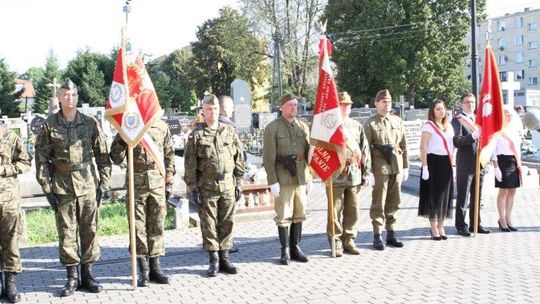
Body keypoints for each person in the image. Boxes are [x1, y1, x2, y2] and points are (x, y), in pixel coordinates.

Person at [34, 79, 111, 297]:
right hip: (62, 186)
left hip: (87, 184)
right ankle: (72, 277)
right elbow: (41, 158)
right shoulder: (50, 125)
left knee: (90, 230)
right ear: (59, 97)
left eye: (74, 94)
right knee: (67, 233)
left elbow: (102, 155)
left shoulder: (89, 123)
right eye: (66, 94)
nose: (70, 98)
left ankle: (88, 275)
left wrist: (104, 182)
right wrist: (48, 188)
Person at [184, 94, 245, 277]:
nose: (213, 112)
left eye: (216, 109)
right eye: (209, 109)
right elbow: (190, 165)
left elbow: (239, 158)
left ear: (220, 110)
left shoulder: (229, 131)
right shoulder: (196, 135)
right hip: (207, 186)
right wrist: (193, 189)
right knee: (209, 224)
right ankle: (214, 261)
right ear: (203, 110)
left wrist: (238, 182)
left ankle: (225, 258)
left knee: (227, 222)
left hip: (227, 183)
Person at [109, 118, 176, 287]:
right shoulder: (129, 126)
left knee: (157, 225)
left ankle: (155, 267)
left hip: (157, 183)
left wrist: (169, 180)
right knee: (137, 228)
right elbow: (115, 157)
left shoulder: (161, 126)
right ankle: (143, 269)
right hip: (136, 184)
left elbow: (169, 155)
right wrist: (123, 138)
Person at [263, 93, 311, 265]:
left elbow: (308, 154)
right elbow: (268, 157)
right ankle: (284, 250)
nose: (293, 108)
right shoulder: (273, 128)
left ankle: (296, 247)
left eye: (295, 105)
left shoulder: (303, 127)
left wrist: (309, 176)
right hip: (283, 178)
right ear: (281, 107)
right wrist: (272, 180)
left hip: (300, 176)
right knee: (283, 214)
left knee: (300, 212)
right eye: (290, 105)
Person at [326, 92, 371, 256]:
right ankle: (335, 241)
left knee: (353, 209)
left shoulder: (356, 125)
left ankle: (349, 239)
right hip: (336, 173)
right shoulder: (329, 125)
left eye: (348, 104)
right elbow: (322, 149)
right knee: (335, 210)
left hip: (353, 174)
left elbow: (364, 149)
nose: (346, 107)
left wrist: (366, 172)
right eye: (343, 104)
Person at [363, 89, 408, 250]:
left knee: (395, 201)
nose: (387, 104)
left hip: (395, 164)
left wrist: (405, 166)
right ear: (377, 104)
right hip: (379, 165)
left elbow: (403, 144)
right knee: (379, 202)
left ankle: (391, 233)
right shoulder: (370, 123)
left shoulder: (397, 121)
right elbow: (366, 149)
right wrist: (367, 171)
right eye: (383, 101)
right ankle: (377, 235)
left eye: (389, 101)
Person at [451, 93, 490, 236]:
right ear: (461, 104)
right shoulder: (457, 120)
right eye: (467, 102)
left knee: (477, 197)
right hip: (465, 164)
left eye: (473, 102)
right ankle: (461, 225)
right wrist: (472, 136)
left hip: (480, 163)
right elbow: (456, 141)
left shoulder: (479, 120)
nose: (470, 104)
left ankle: (476, 223)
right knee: (463, 197)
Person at [0, 125, 31, 303]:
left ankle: (10, 284)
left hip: (8, 199)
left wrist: (5, 169)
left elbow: (25, 162)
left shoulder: (11, 136)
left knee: (11, 242)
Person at [418, 99, 454, 240]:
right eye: (438, 109)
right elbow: (424, 147)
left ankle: (441, 225)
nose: (441, 111)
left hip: (446, 162)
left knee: (444, 195)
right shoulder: (429, 126)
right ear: (432, 111)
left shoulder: (448, 126)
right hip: (433, 162)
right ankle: (433, 227)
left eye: (443, 108)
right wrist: (425, 166)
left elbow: (452, 147)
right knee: (433, 195)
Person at [492, 105, 523, 232]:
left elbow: (518, 149)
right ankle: (501, 219)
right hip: (502, 161)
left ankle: (508, 218)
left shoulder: (513, 131)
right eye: (507, 116)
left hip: (513, 162)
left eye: (511, 116)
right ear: (502, 117)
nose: (510, 118)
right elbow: (493, 150)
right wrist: (496, 167)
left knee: (512, 191)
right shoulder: (497, 131)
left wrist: (519, 163)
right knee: (503, 191)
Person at [218, 95, 242, 253]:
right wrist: (239, 180)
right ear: (224, 108)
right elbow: (238, 156)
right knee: (226, 214)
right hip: (227, 179)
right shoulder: (229, 126)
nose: (233, 109)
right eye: (231, 106)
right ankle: (225, 244)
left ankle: (217, 244)